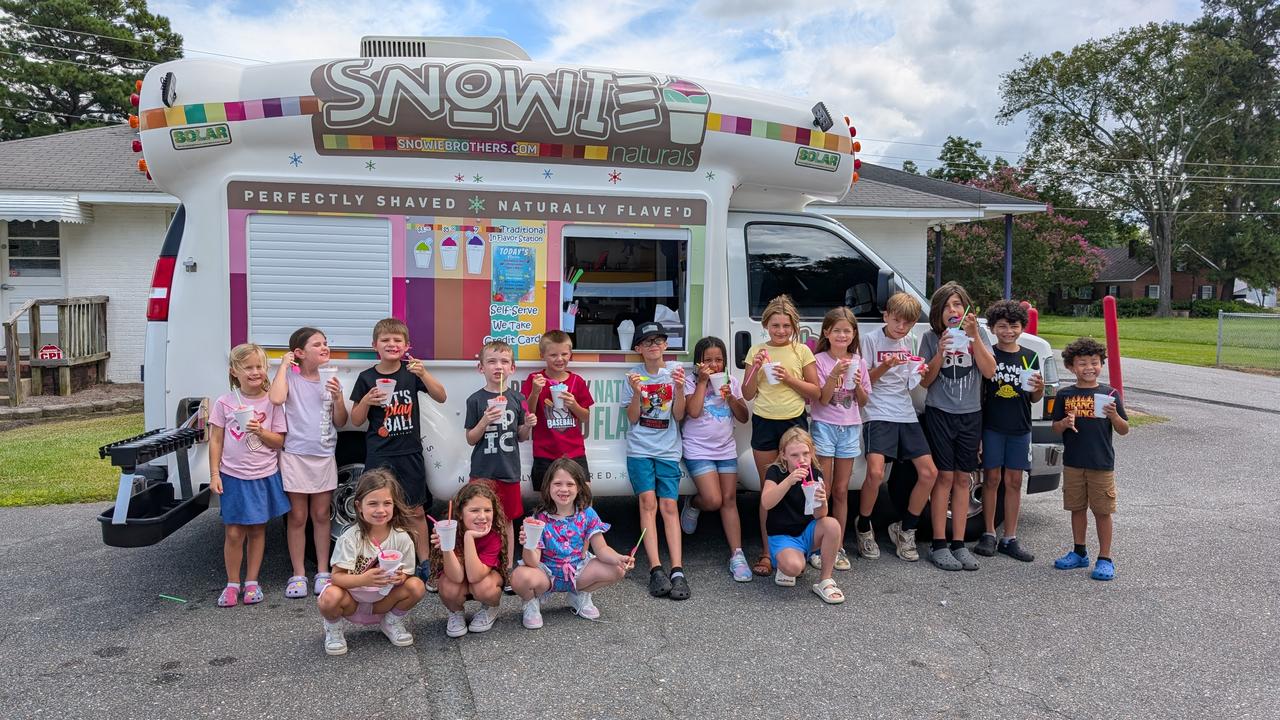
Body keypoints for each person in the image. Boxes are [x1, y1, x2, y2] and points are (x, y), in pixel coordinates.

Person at [350, 318, 447, 574]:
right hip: (380, 454)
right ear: (375, 346)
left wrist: (424, 373)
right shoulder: (366, 377)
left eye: (397, 340)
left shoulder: (411, 373)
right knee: (379, 511)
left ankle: (424, 562)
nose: (391, 344)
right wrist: (367, 401)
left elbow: (441, 396)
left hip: (409, 453)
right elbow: (356, 419)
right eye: (385, 340)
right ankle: (379, 559)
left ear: (406, 346)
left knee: (416, 512)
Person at [917, 282, 996, 571]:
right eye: (948, 306)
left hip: (970, 414)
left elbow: (989, 371)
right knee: (944, 478)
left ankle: (959, 544)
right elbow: (925, 381)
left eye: (958, 304)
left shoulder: (979, 334)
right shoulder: (929, 337)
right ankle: (939, 544)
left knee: (964, 478)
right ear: (938, 312)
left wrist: (974, 338)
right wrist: (939, 352)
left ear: (966, 309)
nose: (953, 310)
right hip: (940, 412)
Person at [742, 294, 821, 577]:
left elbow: (816, 392)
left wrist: (788, 378)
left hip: (794, 425)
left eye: (786, 326)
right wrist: (754, 367)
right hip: (765, 421)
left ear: (794, 326)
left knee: (803, 486)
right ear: (765, 325)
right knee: (770, 490)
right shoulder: (757, 350)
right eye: (775, 325)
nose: (781, 331)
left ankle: (805, 547)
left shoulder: (802, 352)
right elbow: (747, 393)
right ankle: (767, 552)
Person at [856, 292, 937, 563]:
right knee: (876, 473)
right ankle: (864, 526)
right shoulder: (869, 340)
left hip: (904, 410)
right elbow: (863, 381)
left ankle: (905, 529)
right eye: (897, 321)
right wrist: (885, 365)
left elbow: (909, 383)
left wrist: (919, 373)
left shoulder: (910, 341)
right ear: (886, 316)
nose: (901, 327)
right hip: (877, 410)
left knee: (929, 473)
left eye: (908, 324)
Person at [207, 343, 290, 607]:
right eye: (248, 367)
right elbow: (216, 440)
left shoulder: (273, 402)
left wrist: (260, 431)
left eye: (259, 367)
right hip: (233, 475)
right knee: (233, 532)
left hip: (263, 474)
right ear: (234, 371)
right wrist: (214, 474)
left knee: (257, 529)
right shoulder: (225, 402)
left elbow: (279, 441)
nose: (255, 372)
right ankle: (232, 584)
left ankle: (252, 582)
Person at [270, 326, 348, 599]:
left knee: (320, 515)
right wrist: (283, 365)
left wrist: (338, 398)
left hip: (324, 455)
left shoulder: (332, 381)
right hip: (294, 455)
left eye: (326, 343)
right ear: (300, 353)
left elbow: (341, 421)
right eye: (317, 345)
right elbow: (276, 398)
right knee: (297, 516)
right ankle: (299, 573)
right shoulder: (290, 380)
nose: (325, 347)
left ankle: (323, 572)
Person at [511, 458, 634, 628]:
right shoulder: (538, 518)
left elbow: (602, 548)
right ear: (548, 487)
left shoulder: (587, 514)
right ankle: (531, 603)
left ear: (579, 487)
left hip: (578, 572)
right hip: (547, 575)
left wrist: (619, 558)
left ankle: (579, 594)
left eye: (570, 484)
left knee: (618, 569)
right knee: (519, 576)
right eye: (557, 484)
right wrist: (528, 544)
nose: (564, 489)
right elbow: (532, 562)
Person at [316, 468, 427, 655]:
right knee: (329, 597)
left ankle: (390, 621)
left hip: (383, 602)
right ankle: (333, 628)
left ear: (394, 505)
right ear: (359, 506)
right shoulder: (350, 538)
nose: (381, 510)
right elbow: (337, 578)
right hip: (351, 602)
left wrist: (401, 577)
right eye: (373, 504)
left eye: (387, 503)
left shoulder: (401, 538)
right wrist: (364, 580)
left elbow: (407, 573)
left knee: (416, 586)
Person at [1050, 337, 1129, 581]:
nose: (1088, 368)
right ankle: (1079, 551)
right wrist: (1064, 423)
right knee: (1076, 508)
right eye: (1082, 363)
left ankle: (1105, 558)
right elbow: (1055, 428)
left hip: (1101, 463)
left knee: (1102, 511)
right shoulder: (1065, 394)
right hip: (1073, 462)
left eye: (1094, 362)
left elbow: (1124, 429)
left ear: (1101, 364)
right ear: (1071, 367)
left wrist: (1114, 415)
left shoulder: (1109, 394)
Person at [622, 321, 690, 600]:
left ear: (665, 345)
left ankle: (677, 570)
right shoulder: (632, 376)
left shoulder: (675, 372)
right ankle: (655, 568)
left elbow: (679, 415)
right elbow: (633, 417)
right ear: (638, 348)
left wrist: (681, 389)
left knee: (670, 506)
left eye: (658, 340)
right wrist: (637, 393)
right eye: (647, 341)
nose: (653, 345)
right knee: (647, 503)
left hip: (668, 449)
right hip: (639, 448)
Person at [974, 301, 1044, 562]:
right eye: (1001, 326)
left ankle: (1010, 537)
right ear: (992, 328)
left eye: (1013, 326)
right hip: (992, 426)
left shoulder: (1029, 356)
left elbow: (1035, 397)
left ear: (1022, 328)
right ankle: (989, 533)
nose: (1008, 331)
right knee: (991, 479)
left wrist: (1039, 386)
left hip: (1020, 427)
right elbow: (981, 394)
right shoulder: (988, 354)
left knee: (1014, 482)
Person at [677, 336, 752, 581]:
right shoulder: (690, 382)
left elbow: (743, 417)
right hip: (697, 448)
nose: (714, 364)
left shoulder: (732, 382)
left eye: (718, 360)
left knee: (729, 499)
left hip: (725, 449)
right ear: (698, 362)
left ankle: (737, 555)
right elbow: (694, 412)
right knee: (712, 499)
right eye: (708, 360)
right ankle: (694, 504)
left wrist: (730, 397)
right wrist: (702, 382)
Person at [808, 307, 871, 572]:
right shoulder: (819, 360)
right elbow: (820, 398)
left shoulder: (858, 360)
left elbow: (865, 400)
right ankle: (816, 546)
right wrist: (835, 374)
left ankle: (838, 545)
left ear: (854, 333)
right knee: (823, 488)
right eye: (837, 330)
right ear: (827, 332)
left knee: (842, 490)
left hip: (850, 427)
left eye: (847, 330)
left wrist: (856, 383)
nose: (842, 335)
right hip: (824, 426)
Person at [465, 339, 535, 569]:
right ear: (481, 368)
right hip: (483, 472)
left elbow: (521, 437)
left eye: (504, 362)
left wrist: (528, 425)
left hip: (508, 471)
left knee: (507, 521)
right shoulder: (474, 399)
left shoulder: (518, 399)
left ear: (512, 368)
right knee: (480, 520)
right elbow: (470, 438)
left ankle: (506, 568)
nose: (498, 367)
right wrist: (485, 420)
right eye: (492, 361)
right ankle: (481, 565)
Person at [761, 427, 845, 604]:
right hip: (782, 535)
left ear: (812, 452)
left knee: (832, 525)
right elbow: (766, 502)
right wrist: (789, 480)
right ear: (783, 455)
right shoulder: (776, 472)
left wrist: (822, 501)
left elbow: (820, 515)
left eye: (805, 453)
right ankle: (787, 564)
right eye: (794, 455)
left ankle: (825, 580)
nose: (801, 460)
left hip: (807, 532)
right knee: (794, 568)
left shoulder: (816, 473)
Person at [429, 483, 510, 637]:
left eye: (487, 510)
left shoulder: (493, 536)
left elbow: (474, 576)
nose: (482, 516)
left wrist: (469, 537)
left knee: (483, 586)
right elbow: (457, 576)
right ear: (460, 513)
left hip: (481, 580)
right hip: (459, 581)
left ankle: (490, 608)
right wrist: (446, 547)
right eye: (474, 510)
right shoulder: (450, 531)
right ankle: (456, 612)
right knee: (447, 586)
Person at [521, 330, 594, 491]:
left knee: (584, 499)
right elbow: (529, 413)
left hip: (574, 452)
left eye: (564, 354)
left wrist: (573, 404)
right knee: (547, 503)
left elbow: (586, 417)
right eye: (553, 355)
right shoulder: (535, 380)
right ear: (542, 356)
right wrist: (535, 392)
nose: (560, 359)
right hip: (544, 453)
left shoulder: (577, 381)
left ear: (570, 354)